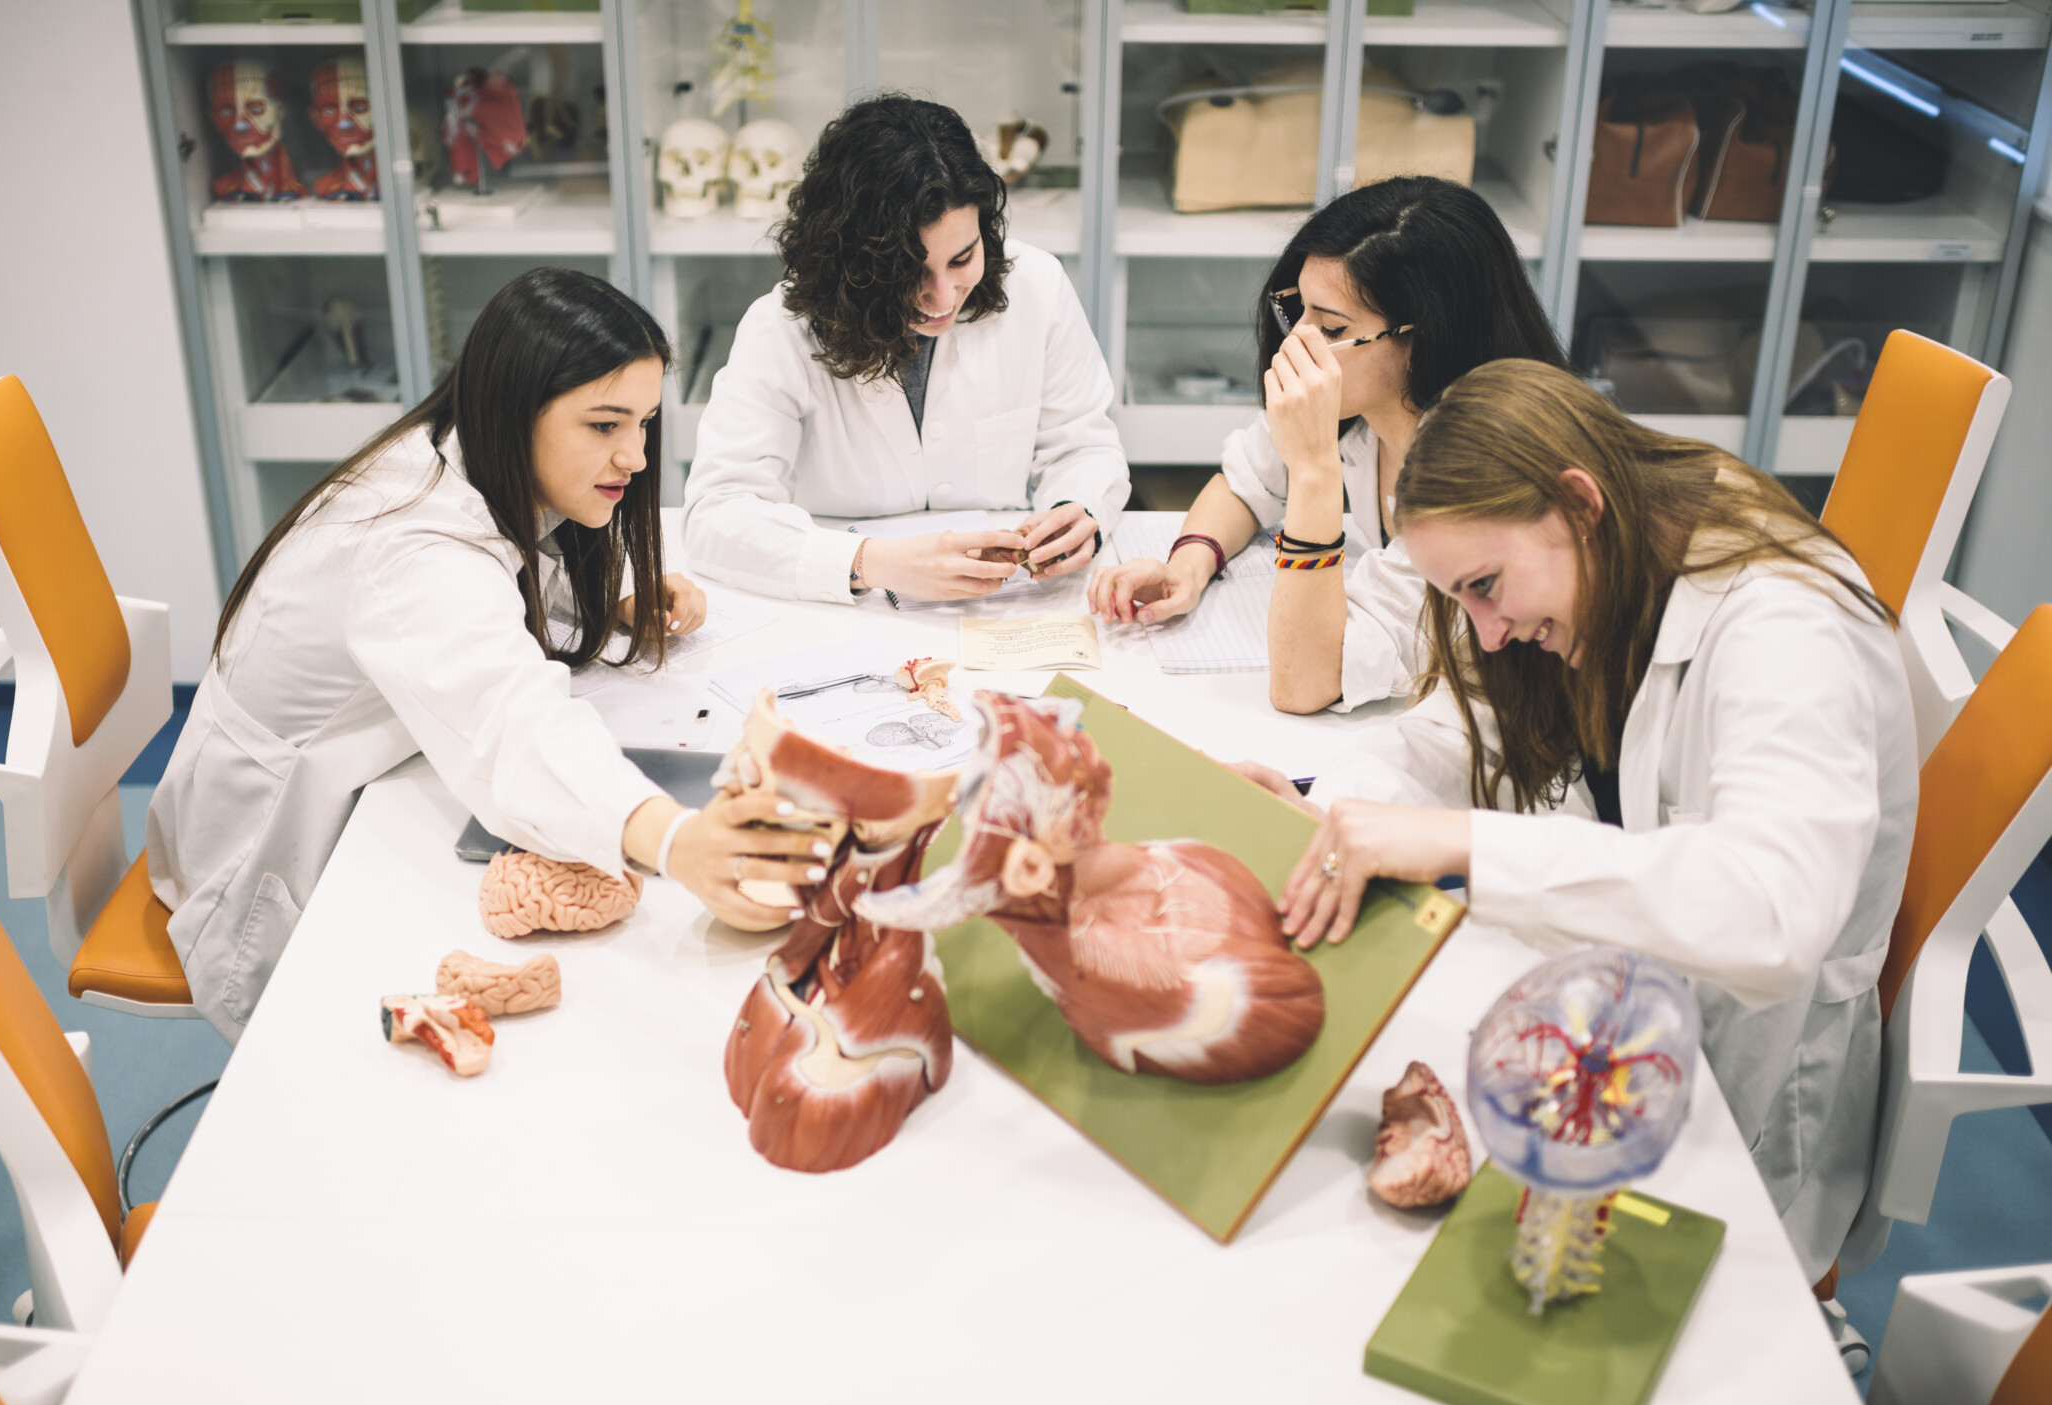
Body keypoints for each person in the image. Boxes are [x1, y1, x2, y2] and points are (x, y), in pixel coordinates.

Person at [1249, 359, 1916, 1284]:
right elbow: (1454, 737)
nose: (1483, 631)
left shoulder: (1780, 625)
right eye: (1459, 601)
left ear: (1578, 501)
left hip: (1741, 1064)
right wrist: (1332, 817)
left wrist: (1466, 845)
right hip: (1610, 998)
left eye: (1486, 586)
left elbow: (1775, 913)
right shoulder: (1600, 556)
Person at [148, 268, 831, 1042]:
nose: (636, 458)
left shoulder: (458, 455)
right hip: (270, 858)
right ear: (515, 409)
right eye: (604, 426)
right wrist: (675, 841)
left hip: (363, 777)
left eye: (643, 423)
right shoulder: (411, 549)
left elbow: (502, 568)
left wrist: (601, 606)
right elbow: (514, 723)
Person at [1086, 177, 1567, 715]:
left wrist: (1315, 471)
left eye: (1331, 326)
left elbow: (1306, 683)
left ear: (1426, 336)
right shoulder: (1367, 407)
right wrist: (1189, 567)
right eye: (1300, 311)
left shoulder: (1481, 476)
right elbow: (1248, 482)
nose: (1298, 342)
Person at [682, 95, 1129, 604]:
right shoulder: (782, 327)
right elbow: (716, 513)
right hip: (847, 611)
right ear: (848, 263)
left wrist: (1078, 509)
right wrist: (872, 564)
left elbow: (1083, 445)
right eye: (909, 273)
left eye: (962, 258)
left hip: (1005, 606)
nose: (941, 298)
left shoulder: (1038, 285)